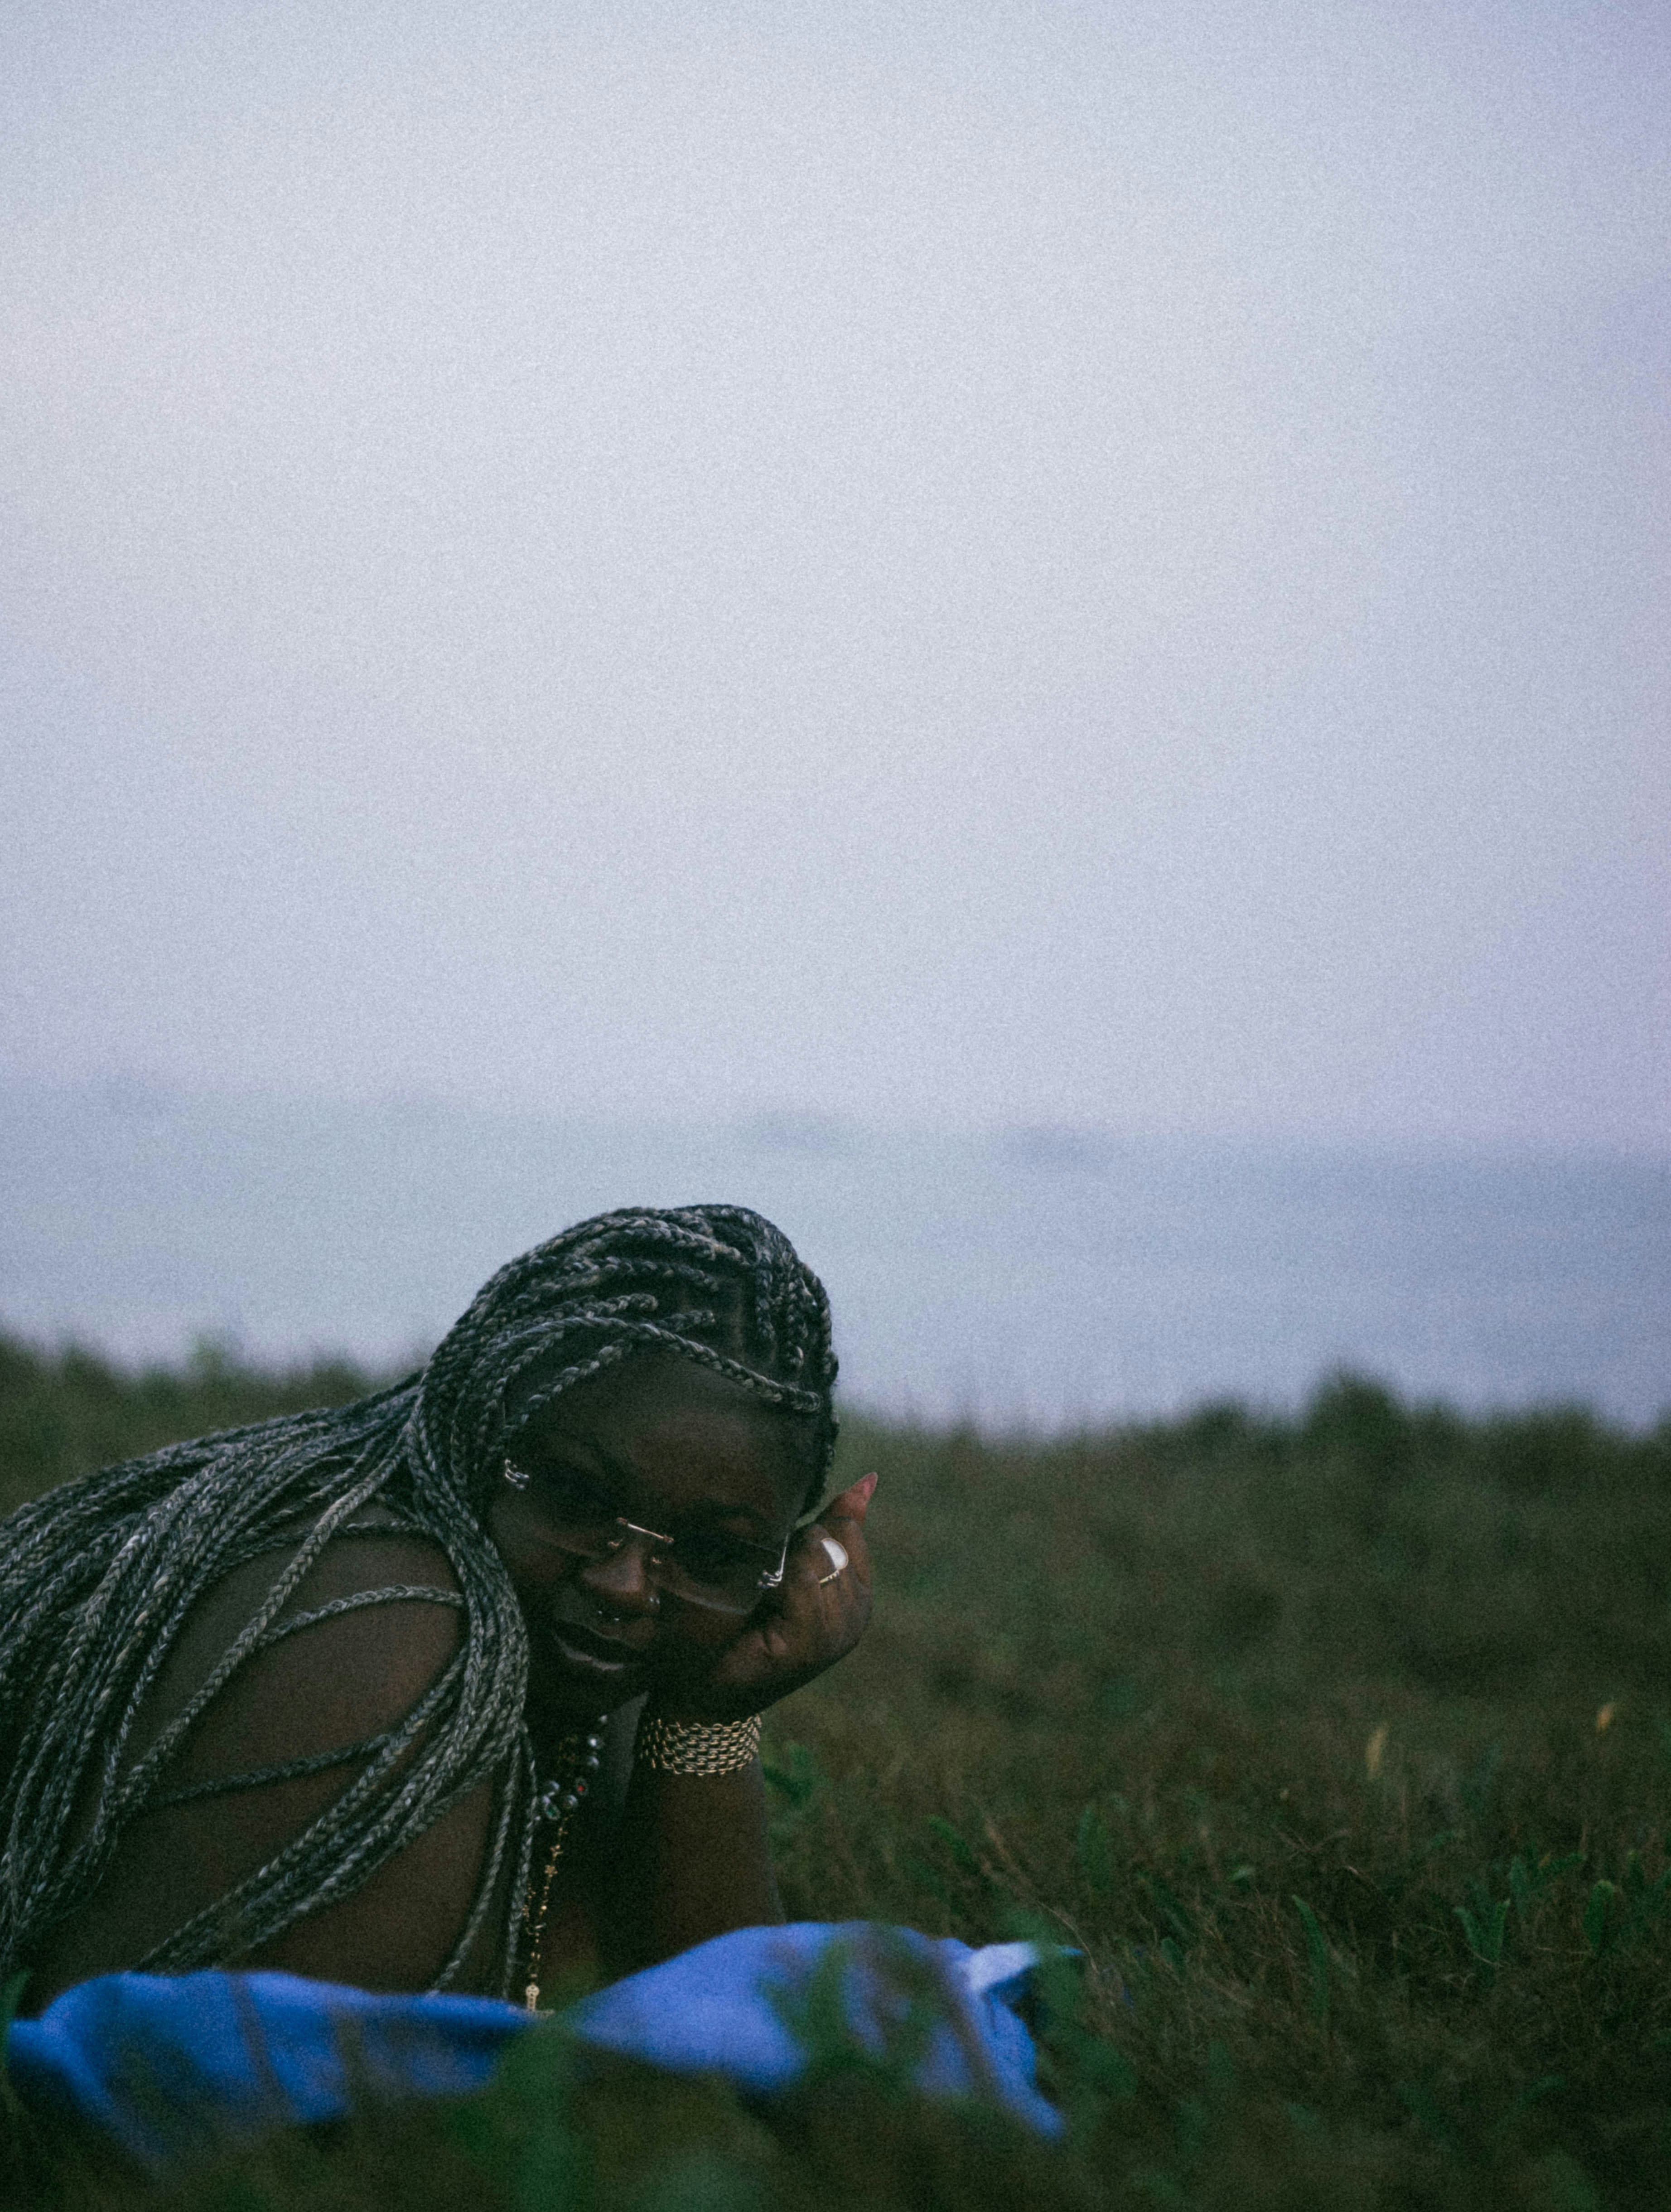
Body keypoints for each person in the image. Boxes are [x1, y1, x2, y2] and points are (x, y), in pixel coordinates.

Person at [0, 1205, 875, 2014]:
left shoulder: (589, 1676)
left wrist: (707, 1717)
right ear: (482, 1422)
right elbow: (267, 2102)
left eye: (713, 1554)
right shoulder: (389, 1629)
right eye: (575, 1495)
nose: (626, 1585)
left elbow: (732, 2046)